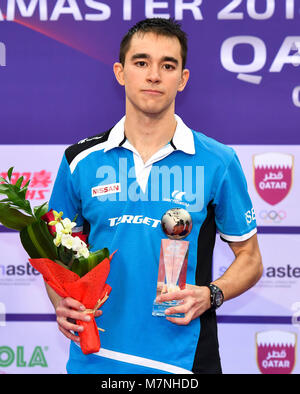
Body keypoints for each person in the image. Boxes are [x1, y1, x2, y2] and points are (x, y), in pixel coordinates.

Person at [46, 18, 263, 374]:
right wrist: (62, 302)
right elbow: (54, 257)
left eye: (168, 65)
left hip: (183, 362)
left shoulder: (218, 160)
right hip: (96, 356)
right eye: (141, 62)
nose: (153, 75)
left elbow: (251, 259)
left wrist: (211, 294)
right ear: (121, 72)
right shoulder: (79, 161)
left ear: (183, 79)